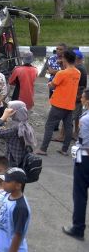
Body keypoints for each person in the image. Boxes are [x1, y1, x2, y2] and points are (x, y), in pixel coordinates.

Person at [37, 49, 80, 156]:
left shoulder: (61, 73)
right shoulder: (77, 73)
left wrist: (50, 84)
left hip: (59, 104)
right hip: (70, 104)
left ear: (65, 59)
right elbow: (67, 80)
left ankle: (43, 149)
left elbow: (53, 85)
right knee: (68, 127)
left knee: (49, 125)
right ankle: (64, 150)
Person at [62, 88, 89, 241]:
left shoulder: (85, 120)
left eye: (83, 98)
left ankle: (78, 228)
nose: (82, 101)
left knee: (80, 195)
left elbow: (86, 144)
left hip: (85, 160)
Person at [0, 167, 31, 252]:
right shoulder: (7, 196)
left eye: (7, 181)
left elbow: (18, 235)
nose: (3, 183)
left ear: (18, 185)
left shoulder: (20, 207)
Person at [0, 101, 37, 167]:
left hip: (12, 162)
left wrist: (3, 117)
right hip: (21, 160)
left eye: (9, 109)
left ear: (14, 112)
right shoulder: (25, 124)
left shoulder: (14, 128)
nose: (6, 110)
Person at [69, 49, 87, 141]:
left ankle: (65, 135)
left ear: (76, 59)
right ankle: (75, 133)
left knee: (70, 117)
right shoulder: (81, 67)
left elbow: (75, 84)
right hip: (80, 94)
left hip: (77, 95)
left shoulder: (78, 69)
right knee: (77, 116)